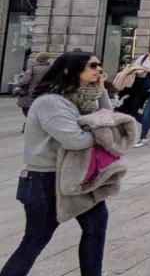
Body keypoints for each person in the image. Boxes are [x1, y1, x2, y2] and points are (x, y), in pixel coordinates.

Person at [2, 52, 111, 276]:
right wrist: (101, 135)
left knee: (96, 226)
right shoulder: (51, 103)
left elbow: (107, 118)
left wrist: (102, 93)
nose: (99, 69)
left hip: (76, 177)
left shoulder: (78, 100)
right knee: (35, 240)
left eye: (99, 64)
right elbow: (76, 140)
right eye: (92, 65)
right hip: (45, 180)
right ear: (68, 70)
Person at [14, 52, 54, 118]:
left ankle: (30, 124)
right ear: (47, 59)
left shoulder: (32, 68)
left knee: (28, 111)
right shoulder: (50, 69)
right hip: (44, 93)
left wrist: (19, 80)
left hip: (30, 93)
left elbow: (25, 81)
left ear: (37, 58)